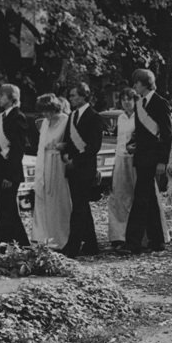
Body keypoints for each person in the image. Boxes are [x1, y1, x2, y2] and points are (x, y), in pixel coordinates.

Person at [125, 68, 172, 255]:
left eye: (136, 83)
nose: (134, 86)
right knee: (150, 200)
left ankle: (133, 242)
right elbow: (140, 133)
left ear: (145, 83)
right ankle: (157, 241)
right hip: (141, 156)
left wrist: (163, 161)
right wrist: (133, 144)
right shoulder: (139, 104)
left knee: (141, 199)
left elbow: (167, 134)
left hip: (153, 158)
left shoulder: (160, 103)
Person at [60, 82, 103, 257]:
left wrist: (75, 160)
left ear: (84, 96)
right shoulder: (72, 116)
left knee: (79, 207)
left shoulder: (94, 116)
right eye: (70, 96)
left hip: (85, 168)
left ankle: (73, 245)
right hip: (72, 168)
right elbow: (68, 141)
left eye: (74, 95)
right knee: (81, 206)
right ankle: (91, 244)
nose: (71, 99)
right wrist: (64, 153)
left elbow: (94, 146)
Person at [0, 84, 30, 246]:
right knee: (4, 209)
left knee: (8, 210)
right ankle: (4, 245)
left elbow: (17, 149)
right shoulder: (3, 116)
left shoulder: (17, 117)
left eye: (1, 95)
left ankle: (21, 246)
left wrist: (10, 176)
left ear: (11, 97)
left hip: (9, 173)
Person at [31, 93, 71, 249]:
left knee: (59, 200)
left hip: (59, 164)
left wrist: (64, 146)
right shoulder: (45, 123)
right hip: (45, 162)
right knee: (44, 199)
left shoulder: (66, 120)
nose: (46, 115)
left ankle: (61, 237)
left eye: (48, 111)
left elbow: (71, 141)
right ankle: (44, 237)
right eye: (43, 111)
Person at [108, 88, 138, 247]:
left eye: (130, 99)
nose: (126, 102)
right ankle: (119, 235)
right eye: (124, 99)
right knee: (119, 196)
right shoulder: (120, 118)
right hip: (120, 158)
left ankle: (137, 235)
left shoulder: (139, 117)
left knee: (134, 196)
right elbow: (120, 141)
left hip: (134, 160)